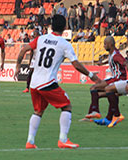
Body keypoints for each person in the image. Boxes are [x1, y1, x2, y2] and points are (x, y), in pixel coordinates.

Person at [14, 15, 100, 149]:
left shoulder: (41, 39)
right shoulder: (64, 44)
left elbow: (24, 49)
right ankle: (63, 139)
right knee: (66, 107)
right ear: (65, 28)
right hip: (47, 83)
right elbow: (76, 65)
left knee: (38, 111)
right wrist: (91, 76)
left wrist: (18, 66)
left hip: (34, 83)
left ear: (51, 26)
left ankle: (30, 142)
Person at [79, 36, 127, 122]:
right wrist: (103, 63)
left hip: (118, 79)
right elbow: (112, 60)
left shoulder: (116, 55)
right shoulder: (112, 53)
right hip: (117, 78)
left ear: (110, 44)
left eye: (105, 44)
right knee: (99, 95)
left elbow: (124, 62)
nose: (104, 46)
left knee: (94, 88)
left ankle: (96, 111)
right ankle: (104, 117)